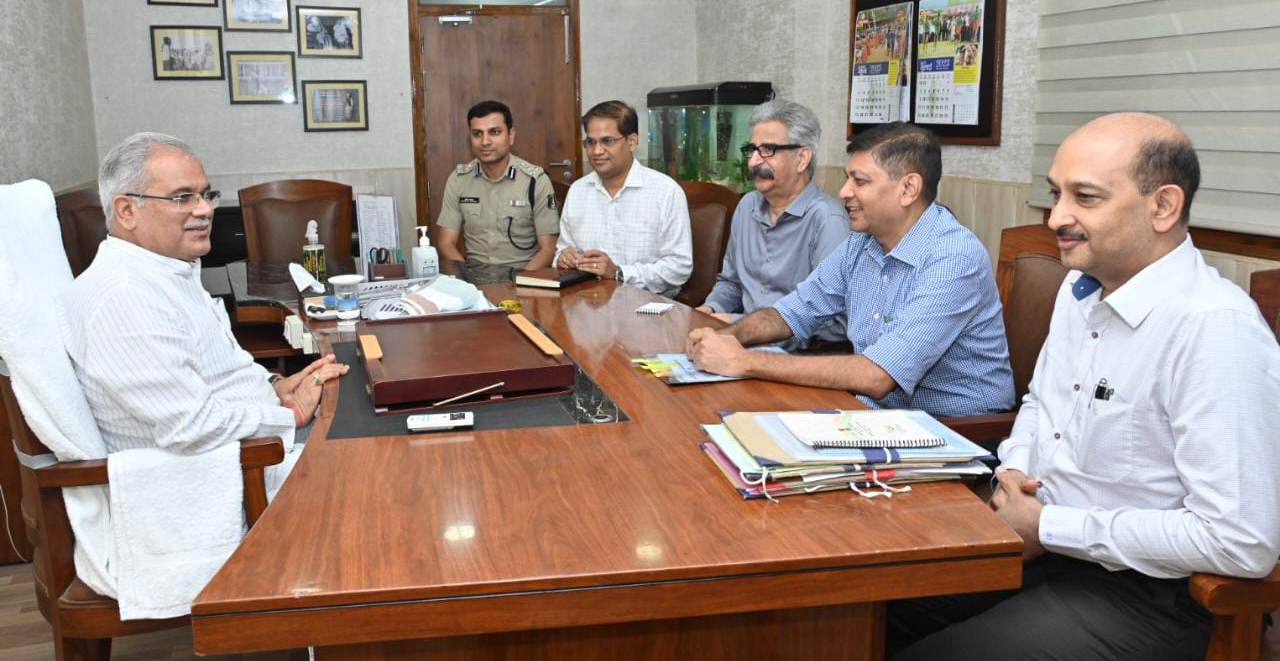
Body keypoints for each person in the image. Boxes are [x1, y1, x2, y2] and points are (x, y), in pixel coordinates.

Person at [887, 113, 1280, 661]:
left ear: (1163, 207)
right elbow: (1040, 402)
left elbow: (1241, 542)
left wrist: (1050, 526)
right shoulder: (1082, 287)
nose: (1057, 218)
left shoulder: (1215, 330)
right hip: (1044, 544)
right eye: (1055, 194)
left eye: (1085, 197)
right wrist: (1015, 469)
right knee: (866, 603)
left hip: (1150, 593)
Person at [686, 122, 1013, 418]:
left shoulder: (954, 257)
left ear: (908, 189)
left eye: (860, 181)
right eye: (847, 178)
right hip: (874, 413)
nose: (844, 192)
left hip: (956, 429)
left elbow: (877, 375)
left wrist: (744, 361)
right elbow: (789, 314)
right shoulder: (861, 243)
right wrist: (722, 339)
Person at [64, 132, 348, 457]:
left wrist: (275, 386)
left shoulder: (166, 269)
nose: (205, 210)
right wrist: (290, 414)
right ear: (127, 210)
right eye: (182, 198)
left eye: (205, 195)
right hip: (247, 461)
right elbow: (190, 427)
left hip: (258, 431)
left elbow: (220, 371)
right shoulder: (124, 297)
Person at [696, 99, 849, 347]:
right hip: (738, 343)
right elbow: (732, 283)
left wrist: (740, 326)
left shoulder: (828, 221)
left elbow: (832, 323)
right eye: (752, 150)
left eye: (767, 150)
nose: (753, 162)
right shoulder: (747, 206)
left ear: (802, 158)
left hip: (795, 358)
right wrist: (710, 310)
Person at [555, 100, 692, 297]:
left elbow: (679, 267)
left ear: (632, 142)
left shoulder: (665, 192)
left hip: (645, 306)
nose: (597, 151)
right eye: (591, 142)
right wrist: (563, 258)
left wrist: (619, 273)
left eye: (607, 141)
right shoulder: (578, 190)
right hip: (586, 303)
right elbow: (561, 250)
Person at [435, 100, 559, 284]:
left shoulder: (535, 181)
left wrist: (518, 284)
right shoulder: (459, 179)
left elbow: (548, 249)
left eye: (494, 132)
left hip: (523, 275)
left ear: (511, 136)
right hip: (474, 276)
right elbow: (446, 243)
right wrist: (466, 282)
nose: (485, 142)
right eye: (477, 134)